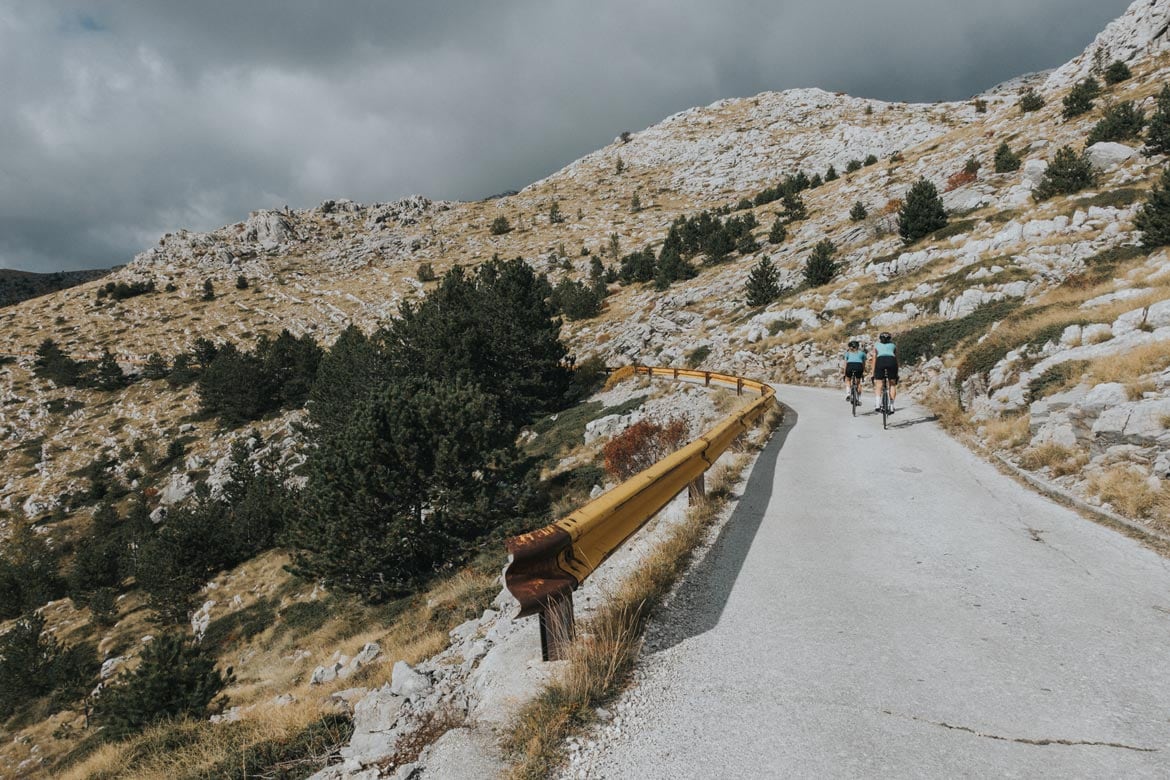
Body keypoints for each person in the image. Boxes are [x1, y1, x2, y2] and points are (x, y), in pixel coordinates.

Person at [870, 331, 898, 413]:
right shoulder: (893, 346)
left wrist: (872, 373)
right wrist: (896, 373)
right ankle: (892, 406)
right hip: (891, 361)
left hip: (880, 361)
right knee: (892, 384)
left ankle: (878, 404)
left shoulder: (876, 345)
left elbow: (874, 359)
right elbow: (896, 360)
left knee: (879, 384)